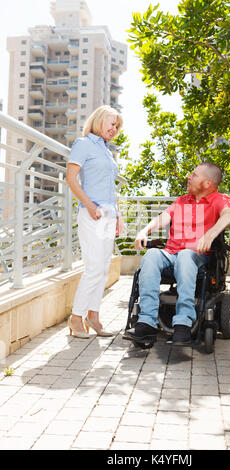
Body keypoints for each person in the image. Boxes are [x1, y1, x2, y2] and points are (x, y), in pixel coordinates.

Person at [123, 162, 230, 346]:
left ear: (207, 183)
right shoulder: (182, 201)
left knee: (185, 255)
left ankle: (183, 322)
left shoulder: (219, 200)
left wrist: (210, 234)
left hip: (196, 256)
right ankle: (147, 323)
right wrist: (143, 231)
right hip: (170, 254)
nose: (189, 177)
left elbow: (228, 217)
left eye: (194, 175)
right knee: (151, 255)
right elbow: (162, 219)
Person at [66, 105, 124, 338]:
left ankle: (94, 317)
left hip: (109, 215)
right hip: (93, 213)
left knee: (102, 270)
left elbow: (112, 189)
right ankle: (76, 318)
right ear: (98, 120)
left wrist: (118, 217)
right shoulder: (83, 145)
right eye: (111, 123)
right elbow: (71, 179)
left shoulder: (108, 152)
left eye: (117, 126)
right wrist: (90, 205)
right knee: (93, 268)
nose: (114, 128)